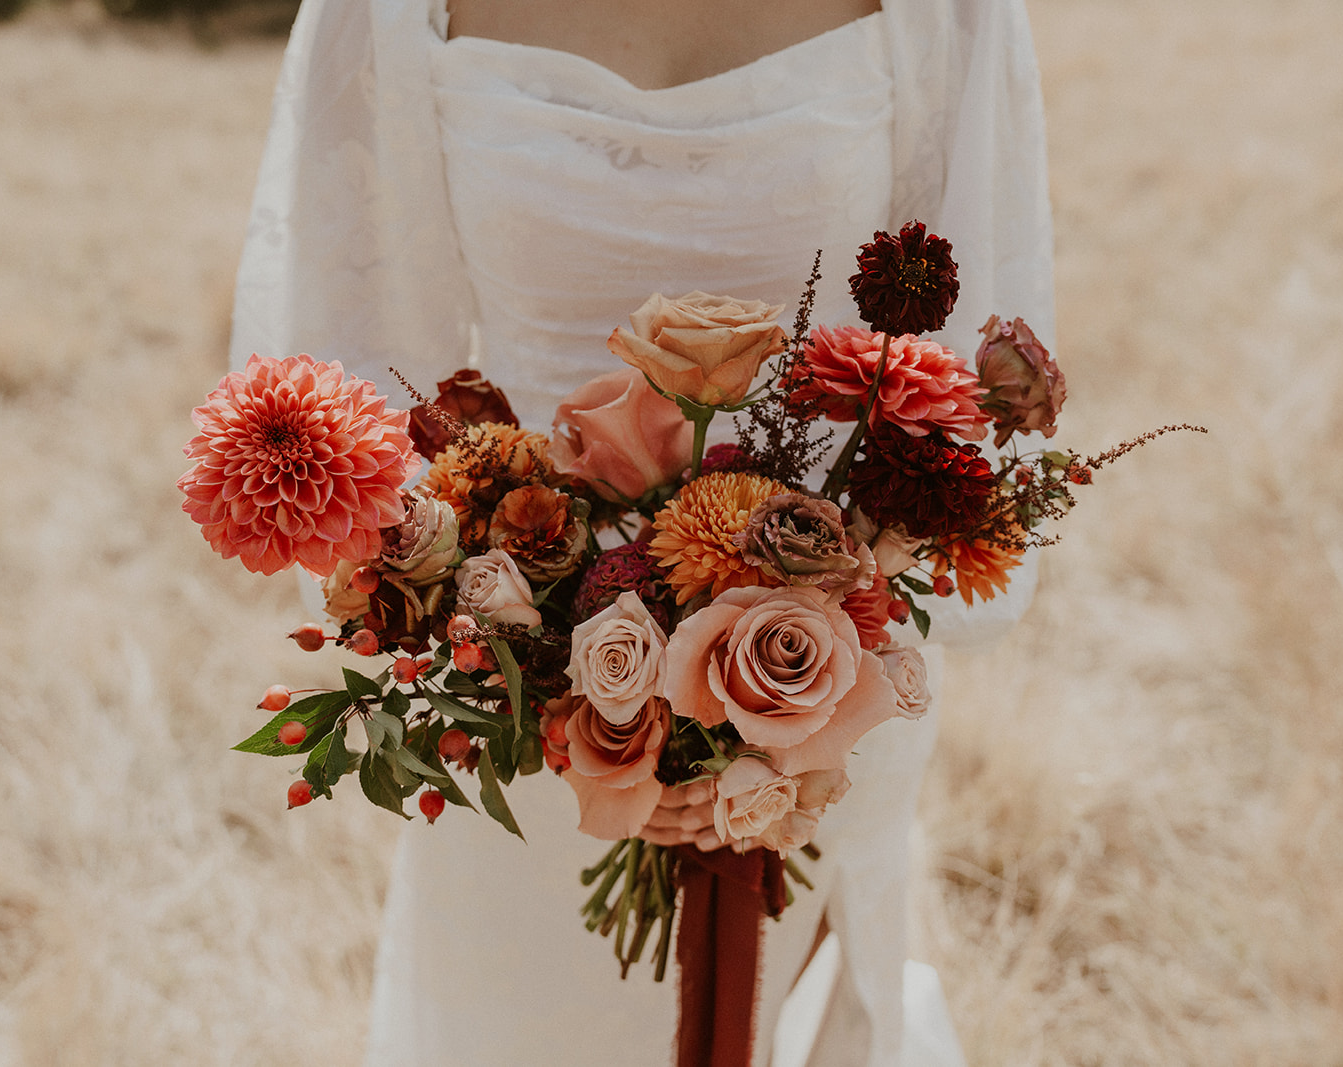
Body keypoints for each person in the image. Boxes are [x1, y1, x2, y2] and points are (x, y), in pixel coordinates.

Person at [230, 0, 1054, 1062]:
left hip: (824, 668)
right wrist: (541, 676)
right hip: (513, 690)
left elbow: (973, 358)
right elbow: (355, 360)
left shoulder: (948, 14)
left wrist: (783, 703)